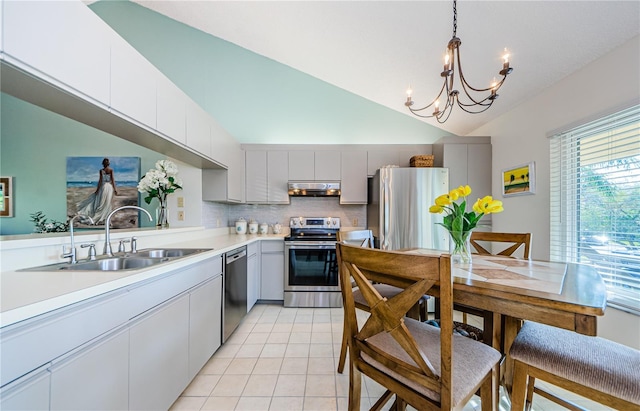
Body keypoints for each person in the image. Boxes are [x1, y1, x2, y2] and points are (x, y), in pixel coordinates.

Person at [76, 158, 118, 224]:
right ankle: (105, 217)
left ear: (103, 164)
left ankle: (103, 217)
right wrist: (115, 189)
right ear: (108, 163)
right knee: (107, 202)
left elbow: (100, 181)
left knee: (101, 202)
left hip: (103, 187)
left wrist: (97, 190)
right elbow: (112, 180)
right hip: (109, 187)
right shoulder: (111, 170)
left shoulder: (101, 170)